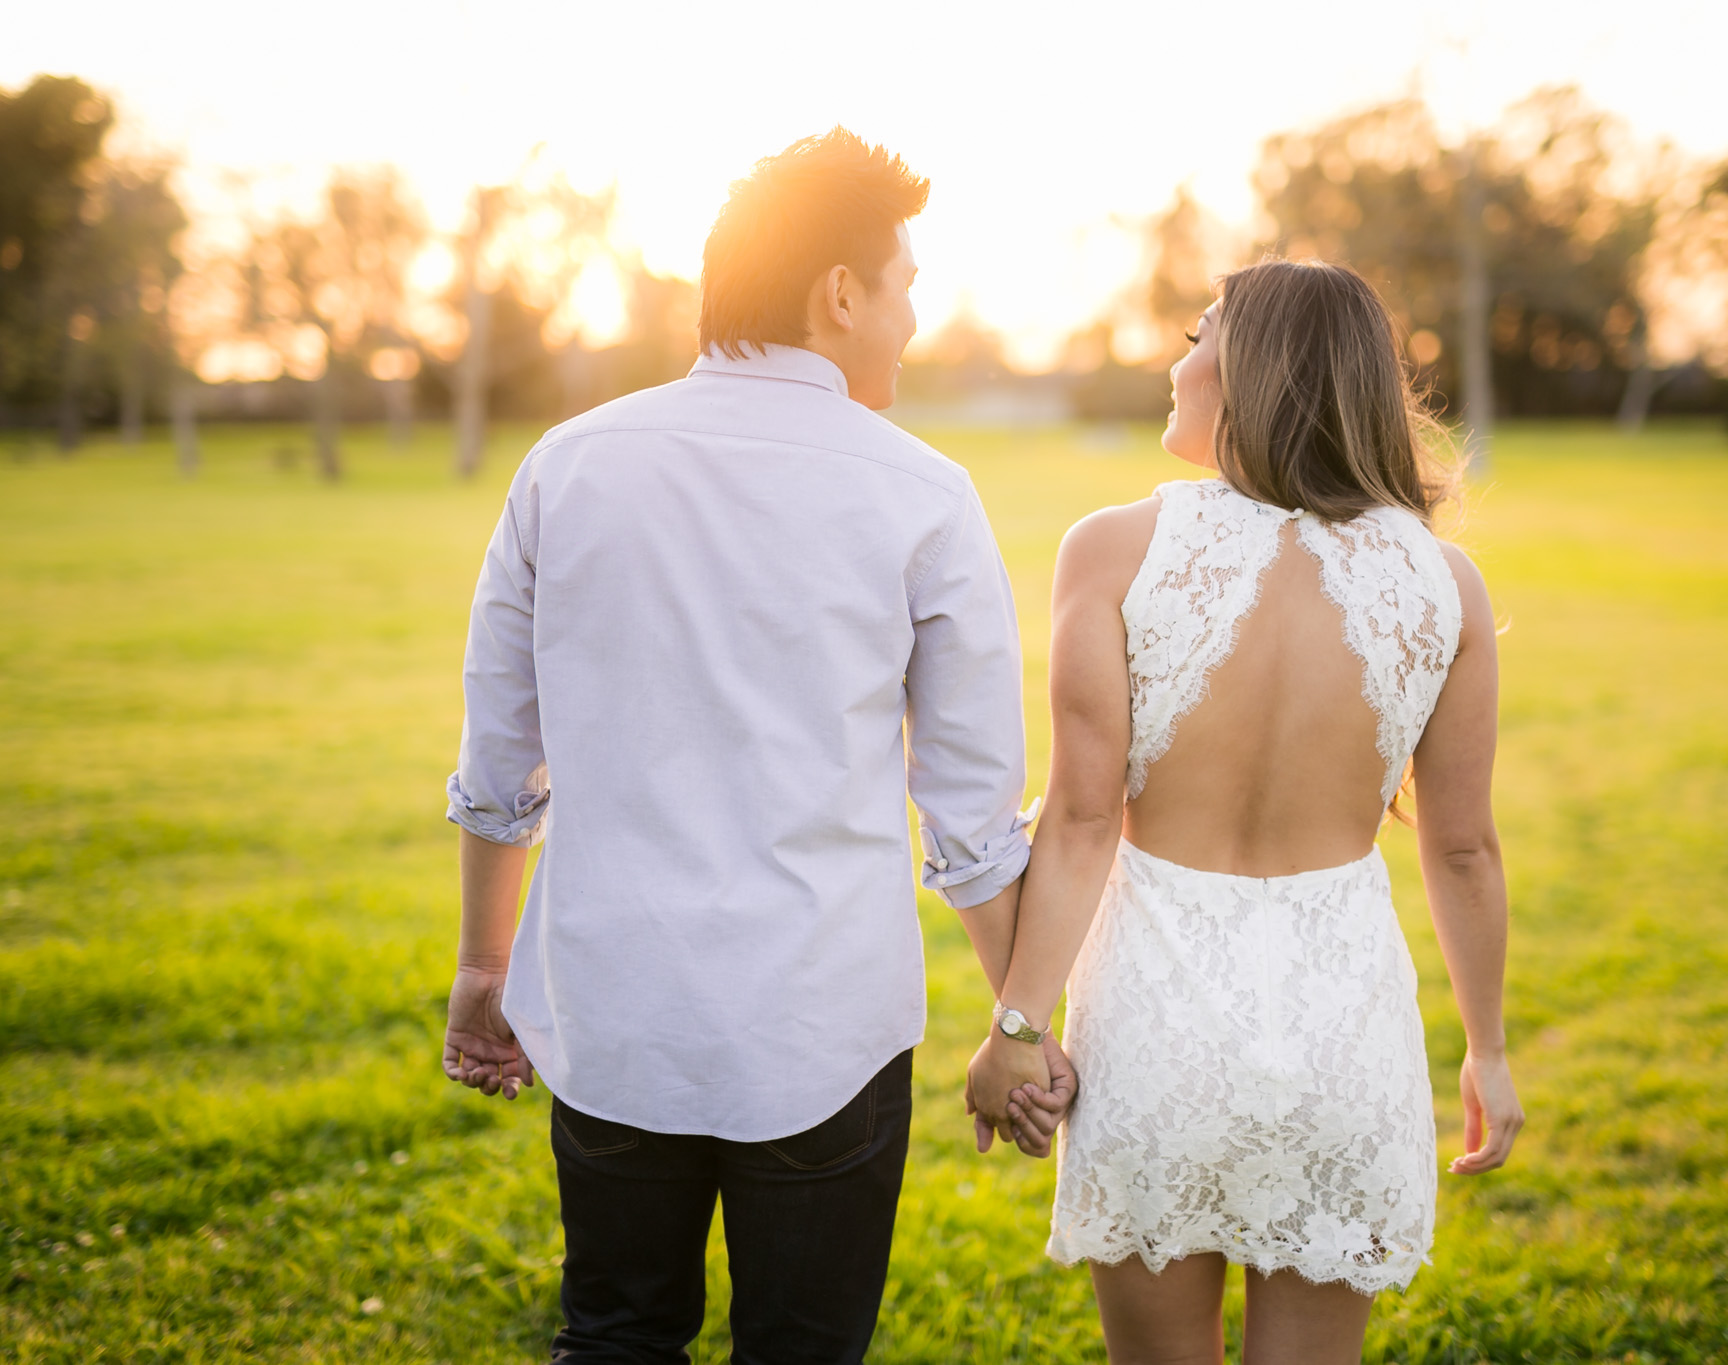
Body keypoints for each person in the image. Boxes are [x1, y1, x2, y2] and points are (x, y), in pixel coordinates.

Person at [440, 127, 1074, 1365]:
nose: (907, 323)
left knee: (615, 1334)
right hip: (819, 1025)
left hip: (612, 1006)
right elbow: (970, 814)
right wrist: (1021, 1019)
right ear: (840, 293)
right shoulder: (922, 493)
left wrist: (481, 961)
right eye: (903, 290)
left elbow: (500, 760)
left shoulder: (563, 467)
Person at [968, 259, 1525, 1364]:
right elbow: (1461, 847)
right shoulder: (1441, 581)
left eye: (1195, 332)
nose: (1176, 361)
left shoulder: (1112, 549)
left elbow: (1081, 822)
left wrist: (1015, 1029)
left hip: (1154, 1032)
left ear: (1252, 366)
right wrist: (1489, 1050)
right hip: (1342, 1037)